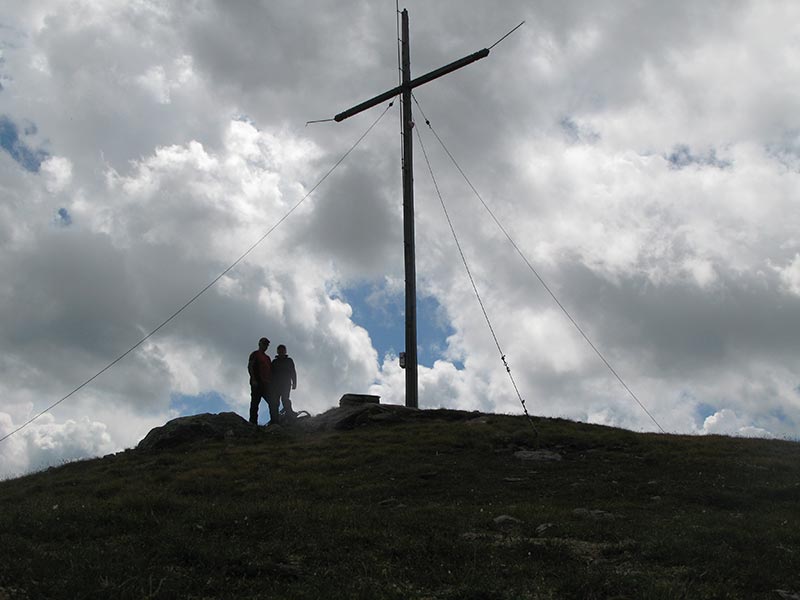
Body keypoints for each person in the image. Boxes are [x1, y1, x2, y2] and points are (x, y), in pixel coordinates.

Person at [248, 337, 275, 425]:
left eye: (267, 345)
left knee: (273, 402)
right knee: (255, 403)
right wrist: (253, 379)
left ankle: (274, 421)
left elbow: (270, 372)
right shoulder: (255, 354)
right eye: (264, 344)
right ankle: (253, 423)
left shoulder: (267, 358)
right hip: (257, 383)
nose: (265, 346)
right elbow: (250, 367)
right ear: (259, 343)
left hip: (266, 384)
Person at [271, 344, 297, 421]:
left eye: (283, 350)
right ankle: (274, 419)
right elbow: (271, 374)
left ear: (285, 351)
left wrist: (294, 382)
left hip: (286, 384)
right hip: (276, 385)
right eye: (280, 350)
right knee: (275, 402)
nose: (281, 352)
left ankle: (289, 414)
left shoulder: (289, 361)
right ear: (277, 352)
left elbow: (293, 372)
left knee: (285, 399)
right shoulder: (274, 362)